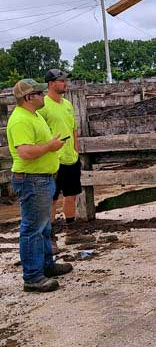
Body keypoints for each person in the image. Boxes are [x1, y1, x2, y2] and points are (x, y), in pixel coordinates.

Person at [6, 79, 73, 293]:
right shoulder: (20, 121)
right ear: (28, 97)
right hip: (32, 180)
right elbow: (25, 152)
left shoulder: (32, 116)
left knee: (43, 227)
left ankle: (45, 265)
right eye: (39, 93)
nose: (43, 96)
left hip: (41, 178)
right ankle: (33, 277)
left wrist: (51, 147)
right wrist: (50, 146)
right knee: (33, 229)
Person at [40, 69, 83, 240]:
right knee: (52, 198)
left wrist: (76, 151)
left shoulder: (67, 104)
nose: (65, 83)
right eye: (61, 81)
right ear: (51, 83)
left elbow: (73, 130)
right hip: (53, 160)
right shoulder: (42, 106)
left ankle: (71, 231)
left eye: (65, 80)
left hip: (70, 158)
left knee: (71, 195)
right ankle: (50, 237)